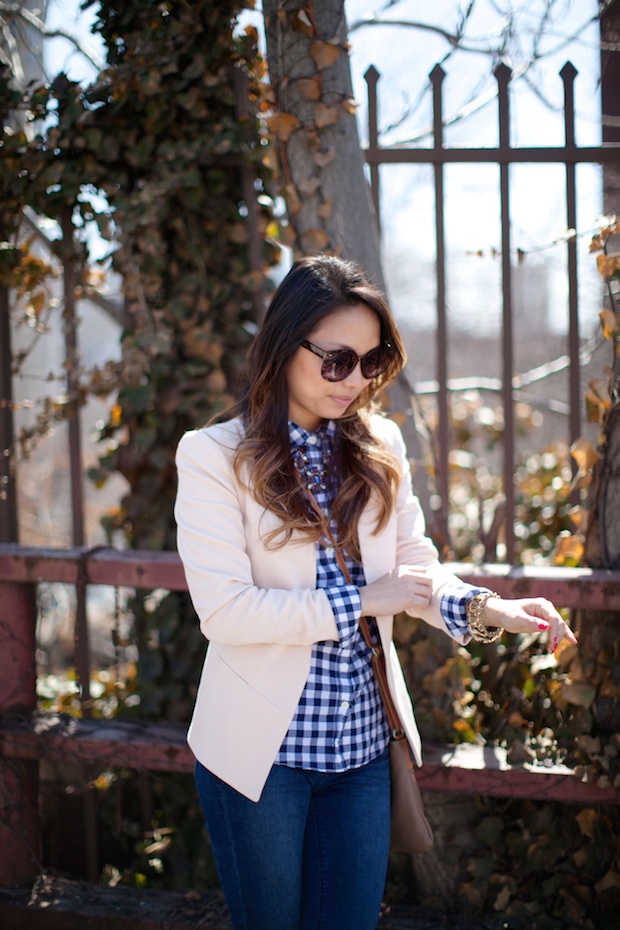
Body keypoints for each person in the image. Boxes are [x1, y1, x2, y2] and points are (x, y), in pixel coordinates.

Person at [174, 255, 577, 930]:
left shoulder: (379, 444)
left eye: (370, 360)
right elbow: (226, 612)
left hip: (361, 752)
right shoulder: (215, 455)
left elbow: (415, 568)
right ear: (284, 345)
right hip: (261, 761)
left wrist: (489, 610)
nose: (355, 379)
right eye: (336, 360)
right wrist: (361, 601)